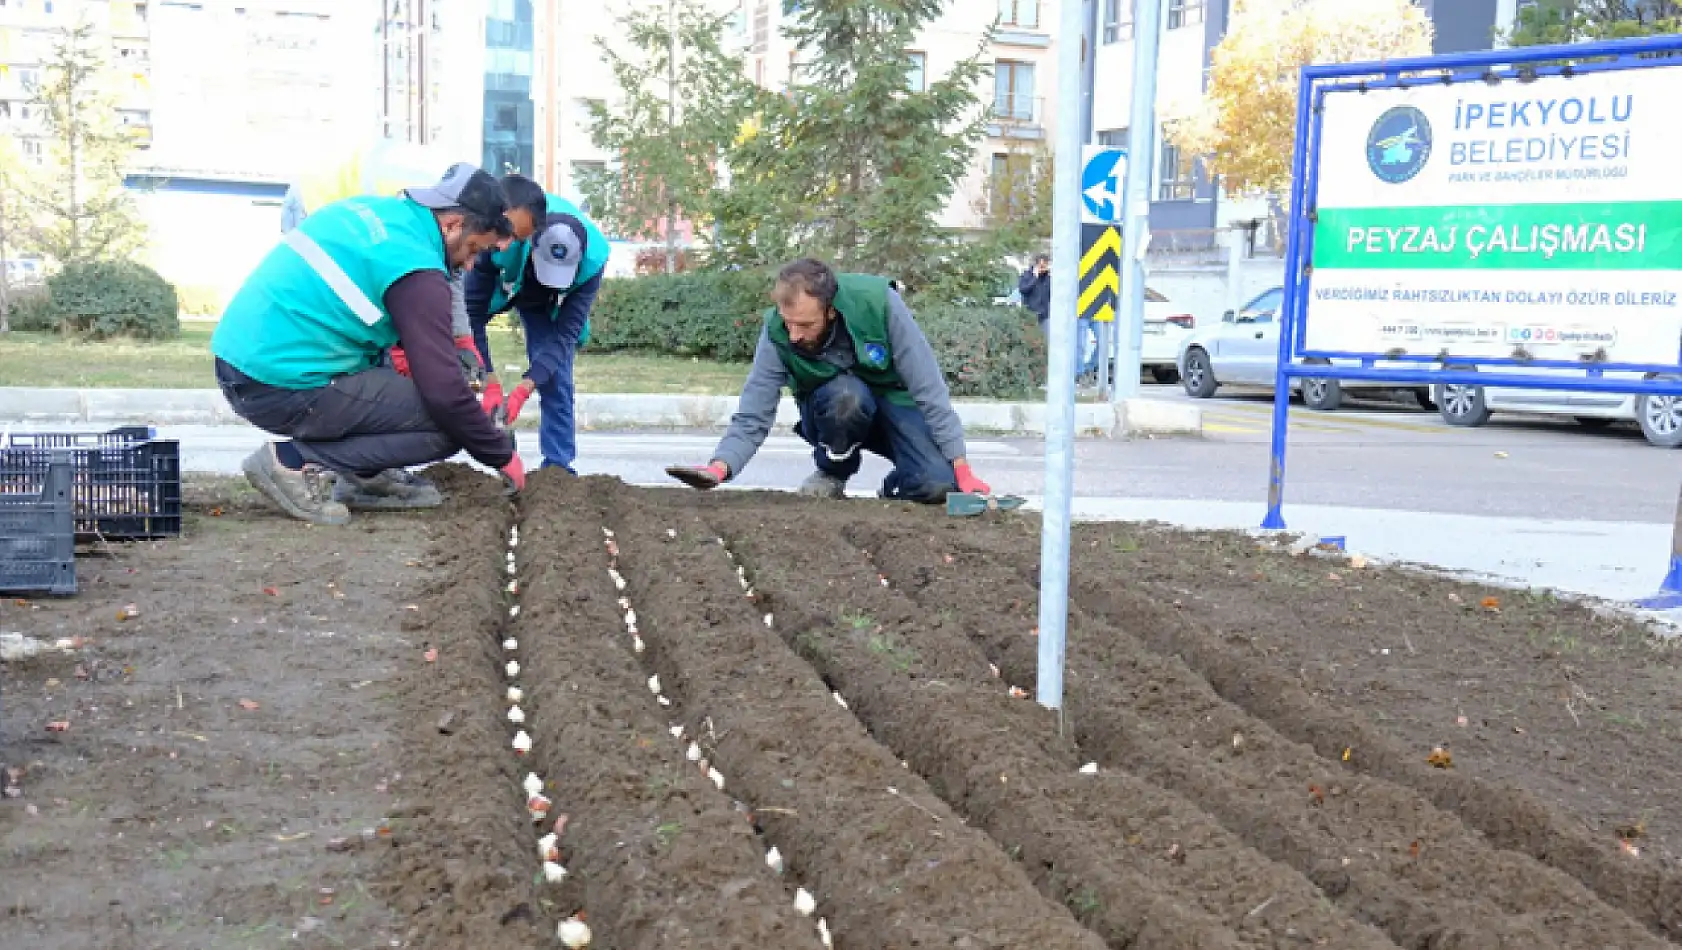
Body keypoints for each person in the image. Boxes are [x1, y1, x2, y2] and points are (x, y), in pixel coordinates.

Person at [212, 163, 526, 526]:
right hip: (278, 382)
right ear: (453, 224)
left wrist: (456, 350)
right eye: (473, 249)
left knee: (423, 395)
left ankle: (366, 477)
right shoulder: (417, 269)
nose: (471, 265)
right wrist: (501, 453)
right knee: (450, 425)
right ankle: (293, 463)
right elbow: (446, 396)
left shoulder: (374, 213)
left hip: (244, 361)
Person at [665, 258, 993, 503]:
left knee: (937, 486)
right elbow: (754, 412)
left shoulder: (880, 304)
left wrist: (961, 468)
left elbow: (929, 389)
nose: (793, 335)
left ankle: (899, 483)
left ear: (830, 310)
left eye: (804, 325)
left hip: (895, 408)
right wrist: (719, 468)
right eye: (788, 322)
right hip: (834, 411)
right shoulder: (777, 332)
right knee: (847, 397)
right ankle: (833, 473)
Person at [464, 174, 610, 474]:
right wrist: (490, 381)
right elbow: (472, 315)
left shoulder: (594, 259)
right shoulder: (503, 235)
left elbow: (564, 335)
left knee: (556, 374)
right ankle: (494, 446)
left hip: (542, 302)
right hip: (508, 280)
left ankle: (558, 468)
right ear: (532, 240)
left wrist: (523, 389)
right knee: (461, 357)